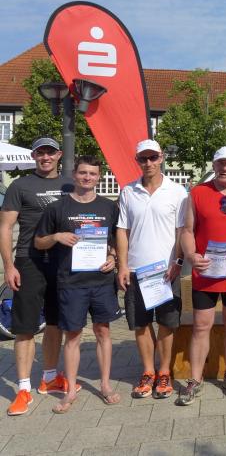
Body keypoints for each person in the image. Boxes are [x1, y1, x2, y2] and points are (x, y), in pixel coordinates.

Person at [34, 155, 121, 412]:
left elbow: (116, 240)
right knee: (72, 335)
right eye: (83, 173)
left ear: (99, 177)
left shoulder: (109, 207)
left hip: (101, 280)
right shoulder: (57, 208)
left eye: (92, 174)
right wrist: (57, 236)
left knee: (103, 332)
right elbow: (38, 242)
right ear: (74, 174)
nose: (87, 177)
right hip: (71, 282)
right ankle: (71, 390)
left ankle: (105, 385)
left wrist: (113, 258)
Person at [0, 137, 75, 416]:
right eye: (40, 153)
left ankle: (49, 377)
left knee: (55, 323)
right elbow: (5, 227)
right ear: (34, 156)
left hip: (62, 262)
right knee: (25, 327)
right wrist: (9, 266)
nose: (45, 157)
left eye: (50, 153)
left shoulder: (69, 184)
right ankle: (23, 389)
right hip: (29, 261)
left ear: (58, 155)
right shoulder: (20, 186)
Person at [176, 147, 226, 405]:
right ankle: (195, 379)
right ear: (214, 165)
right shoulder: (197, 193)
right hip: (206, 270)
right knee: (201, 325)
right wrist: (190, 254)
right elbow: (187, 230)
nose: (225, 168)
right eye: (220, 163)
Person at [117, 140, 187, 400]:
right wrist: (123, 265)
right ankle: (148, 371)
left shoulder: (177, 192)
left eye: (153, 157)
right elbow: (122, 231)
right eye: (143, 158)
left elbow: (182, 231)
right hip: (137, 270)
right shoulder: (128, 191)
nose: (148, 163)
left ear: (161, 157)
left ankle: (165, 371)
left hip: (166, 271)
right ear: (137, 160)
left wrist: (178, 262)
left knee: (167, 323)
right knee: (140, 324)